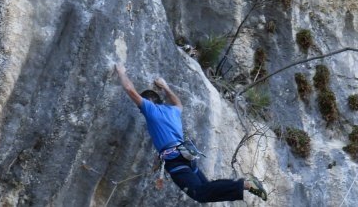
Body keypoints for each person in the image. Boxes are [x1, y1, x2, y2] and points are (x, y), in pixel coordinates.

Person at [114, 64, 268, 203]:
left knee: (200, 193)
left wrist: (121, 71)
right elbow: (178, 103)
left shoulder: (151, 111)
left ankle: (246, 185)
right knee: (206, 188)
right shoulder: (173, 111)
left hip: (177, 161)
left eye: (142, 107)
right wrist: (166, 87)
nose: (141, 110)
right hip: (186, 156)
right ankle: (246, 185)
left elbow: (129, 89)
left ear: (148, 101)